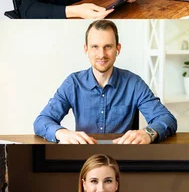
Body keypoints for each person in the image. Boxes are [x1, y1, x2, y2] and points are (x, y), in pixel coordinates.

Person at [33, 20, 177, 144]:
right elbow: (42, 121)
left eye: (108, 46)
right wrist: (62, 133)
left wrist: (148, 133)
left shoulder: (133, 83)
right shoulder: (73, 83)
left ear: (117, 49)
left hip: (125, 155)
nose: (102, 54)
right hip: (83, 155)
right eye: (95, 47)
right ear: (86, 50)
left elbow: (167, 119)